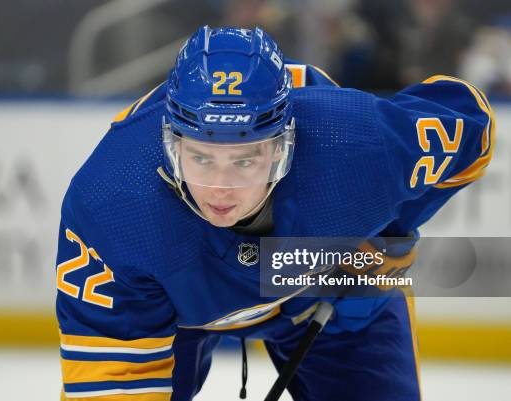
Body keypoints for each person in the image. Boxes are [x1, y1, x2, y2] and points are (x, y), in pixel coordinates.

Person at [55, 26, 494, 401]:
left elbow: (472, 126)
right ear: (171, 145)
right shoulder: (112, 203)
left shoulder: (354, 148)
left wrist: (386, 235)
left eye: (245, 159)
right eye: (202, 157)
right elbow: (110, 378)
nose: (222, 188)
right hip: (175, 307)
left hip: (323, 289)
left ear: (282, 147)